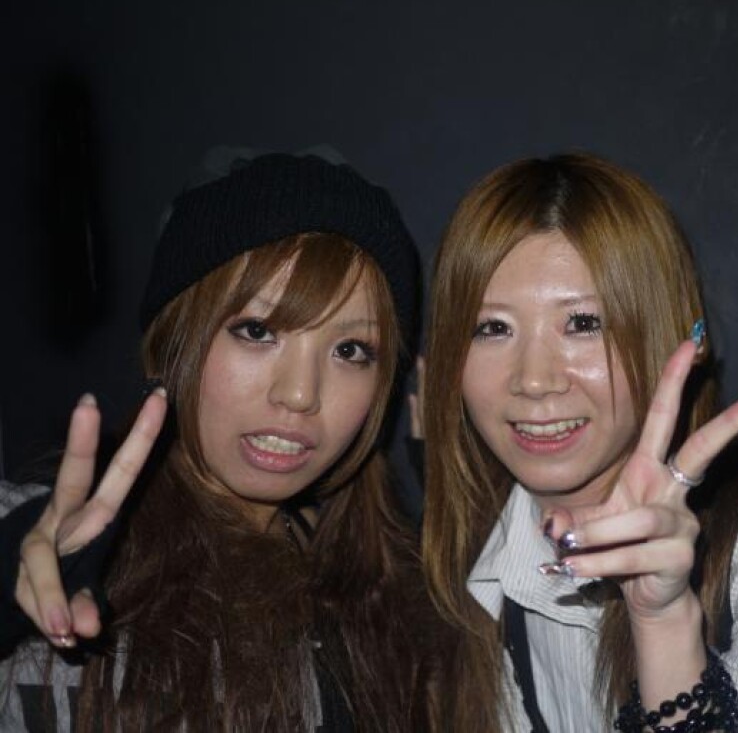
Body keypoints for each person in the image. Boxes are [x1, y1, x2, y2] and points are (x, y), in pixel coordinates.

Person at [420, 152, 738, 731]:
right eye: (493, 328)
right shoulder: (472, 551)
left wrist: (663, 623)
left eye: (584, 323)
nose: (534, 380)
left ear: (665, 335)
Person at [0, 148, 440, 731]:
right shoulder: (63, 542)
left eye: (350, 350)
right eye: (256, 331)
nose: (300, 394)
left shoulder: (391, 595)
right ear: (175, 341)